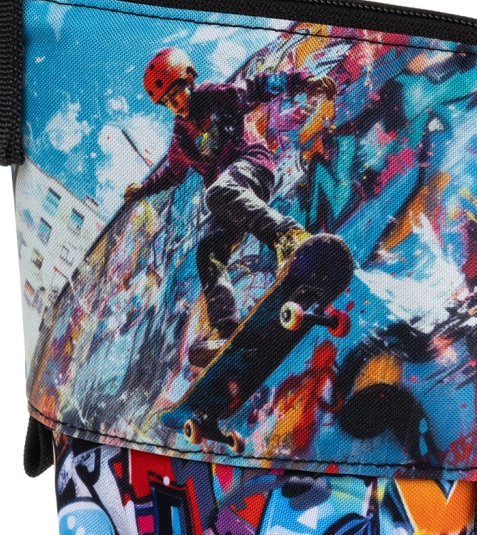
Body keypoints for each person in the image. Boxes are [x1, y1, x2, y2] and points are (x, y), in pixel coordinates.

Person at [124, 48, 336, 346]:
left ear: (189, 81)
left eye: (177, 93)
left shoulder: (213, 95)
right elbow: (172, 173)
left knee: (217, 192)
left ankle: (289, 237)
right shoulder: (181, 137)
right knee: (208, 251)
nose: (176, 104)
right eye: (168, 102)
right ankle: (226, 328)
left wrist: (304, 81)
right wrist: (143, 189)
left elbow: (258, 86)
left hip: (254, 167)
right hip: (230, 200)